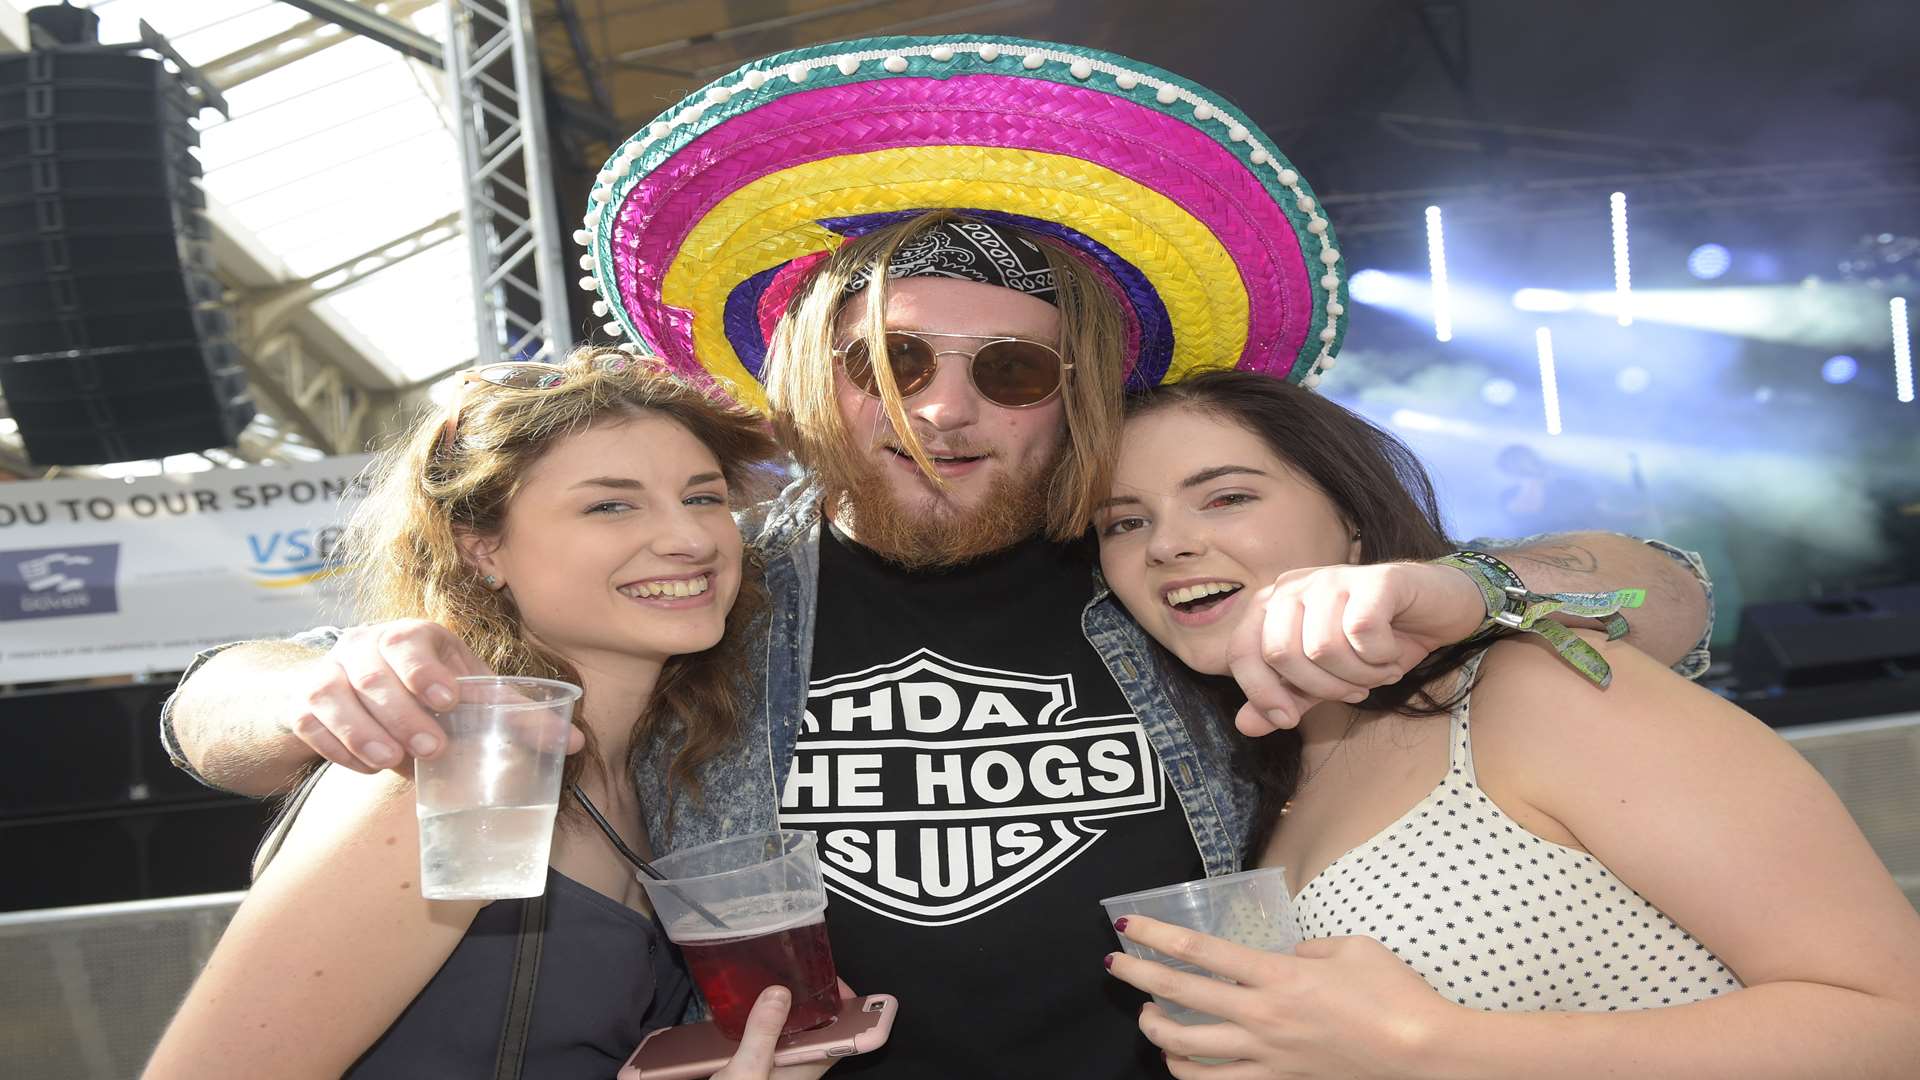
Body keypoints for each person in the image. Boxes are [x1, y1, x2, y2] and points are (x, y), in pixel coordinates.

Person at [160, 36, 1716, 1078]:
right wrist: (327, 673)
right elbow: (220, 718)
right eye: (891, 361)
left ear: (1079, 398)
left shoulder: (1162, 573)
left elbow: (1664, 592)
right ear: (809, 375)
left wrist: (1466, 590)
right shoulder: (711, 579)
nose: (945, 411)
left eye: (1014, 373)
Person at [1094, 370, 1920, 1076]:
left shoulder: (1530, 690)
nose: (1169, 545)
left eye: (1227, 496)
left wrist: (1436, 1047)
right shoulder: (1252, 777)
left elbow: (1898, 1024)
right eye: (1126, 521)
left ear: (1351, 518)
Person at [146, 349, 836, 1080]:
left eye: (702, 497)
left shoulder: (667, 775)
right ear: (482, 551)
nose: (691, 539)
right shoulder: (441, 769)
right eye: (610, 504)